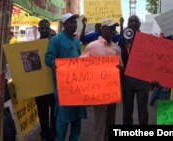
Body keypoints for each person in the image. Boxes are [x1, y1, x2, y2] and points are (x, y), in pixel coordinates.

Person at [45, 13, 87, 141]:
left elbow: (79, 60)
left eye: (75, 22)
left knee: (77, 118)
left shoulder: (76, 40)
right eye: (71, 22)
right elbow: (48, 59)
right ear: (64, 25)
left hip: (78, 88)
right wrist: (64, 67)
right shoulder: (55, 40)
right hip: (64, 89)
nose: (74, 24)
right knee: (63, 119)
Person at [80, 18, 123, 141]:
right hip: (98, 90)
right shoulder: (93, 46)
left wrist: (119, 68)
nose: (113, 31)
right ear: (102, 29)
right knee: (99, 122)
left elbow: (122, 67)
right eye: (110, 28)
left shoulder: (116, 48)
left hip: (112, 89)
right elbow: (80, 64)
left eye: (114, 28)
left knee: (111, 121)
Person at [118, 15, 150, 125]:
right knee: (127, 109)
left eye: (135, 21)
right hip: (127, 78)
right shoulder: (123, 38)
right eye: (130, 21)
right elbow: (119, 56)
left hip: (142, 79)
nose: (133, 23)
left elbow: (151, 59)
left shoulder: (146, 38)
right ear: (127, 24)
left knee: (143, 109)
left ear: (139, 24)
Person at [36, 19, 56, 141]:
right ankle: (44, 134)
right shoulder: (32, 45)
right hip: (39, 87)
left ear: (49, 29)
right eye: (42, 28)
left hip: (53, 86)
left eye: (46, 28)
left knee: (55, 113)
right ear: (38, 29)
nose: (44, 30)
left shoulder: (55, 44)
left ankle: (53, 134)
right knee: (42, 113)